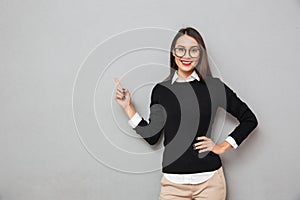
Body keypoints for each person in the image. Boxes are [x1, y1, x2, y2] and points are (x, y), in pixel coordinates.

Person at [114, 27, 258, 200]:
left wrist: (222, 146)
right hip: (172, 185)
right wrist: (128, 107)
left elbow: (249, 119)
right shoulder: (161, 91)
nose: (186, 55)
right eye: (181, 49)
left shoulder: (214, 87)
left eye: (193, 50)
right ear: (173, 53)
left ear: (201, 54)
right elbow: (153, 137)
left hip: (210, 182)